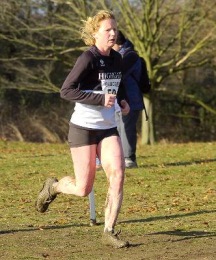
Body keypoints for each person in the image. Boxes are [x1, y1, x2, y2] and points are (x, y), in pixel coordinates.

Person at [35, 10, 130, 249]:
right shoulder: (87, 58)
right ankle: (53, 186)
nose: (112, 33)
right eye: (108, 30)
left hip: (108, 128)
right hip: (83, 129)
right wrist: (99, 100)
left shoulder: (117, 59)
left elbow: (117, 86)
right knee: (82, 188)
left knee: (117, 174)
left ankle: (109, 231)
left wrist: (123, 100)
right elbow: (66, 90)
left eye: (114, 29)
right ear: (95, 34)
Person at [113, 31, 145, 168]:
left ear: (117, 44)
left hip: (131, 99)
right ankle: (121, 158)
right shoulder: (122, 55)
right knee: (119, 127)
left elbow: (119, 75)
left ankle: (129, 158)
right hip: (122, 98)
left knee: (127, 128)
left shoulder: (129, 56)